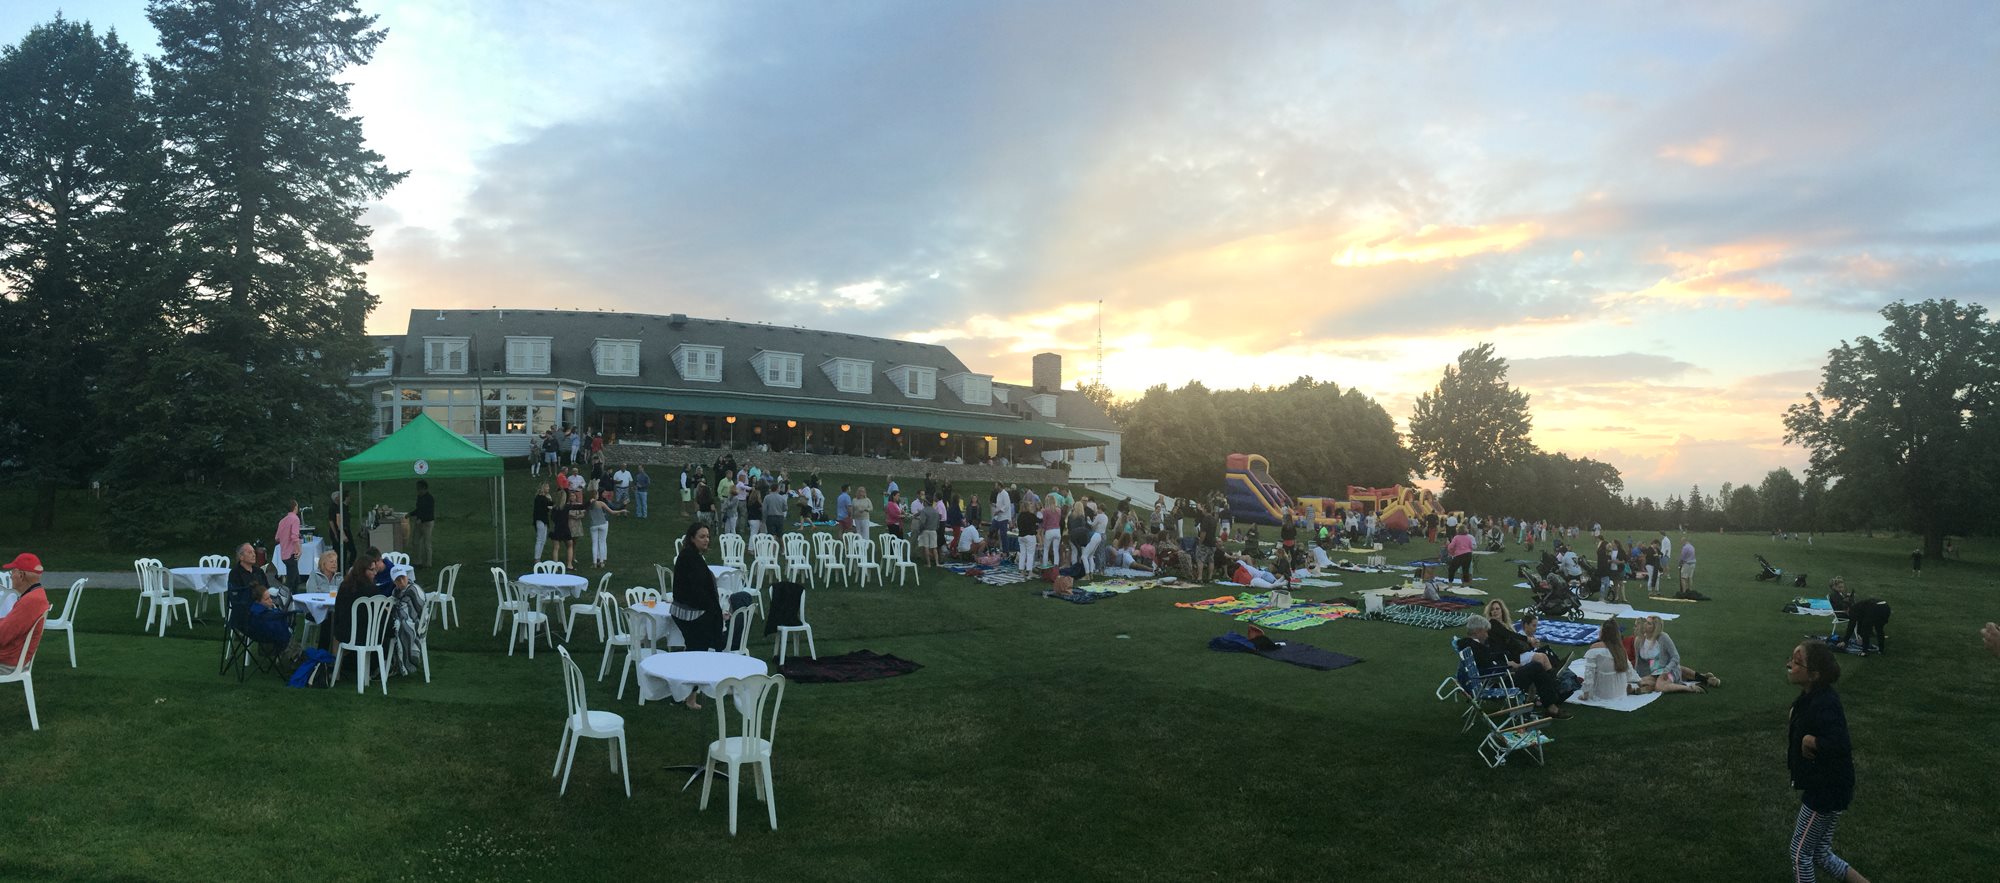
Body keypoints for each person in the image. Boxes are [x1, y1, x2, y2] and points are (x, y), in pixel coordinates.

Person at [1785, 641, 1871, 883]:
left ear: (1814, 675)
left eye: (1797, 662)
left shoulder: (1826, 703)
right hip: (1829, 785)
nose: (1789, 665)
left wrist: (1811, 740)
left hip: (1826, 789)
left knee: (1800, 853)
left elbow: (1840, 744)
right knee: (1820, 853)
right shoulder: (1810, 697)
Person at [1461, 613, 1571, 719]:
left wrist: (1506, 660)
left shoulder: (1472, 645)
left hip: (1497, 678)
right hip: (1499, 681)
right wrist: (1507, 664)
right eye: (1485, 632)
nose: (1487, 635)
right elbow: (1488, 664)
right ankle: (1553, 701)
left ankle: (1551, 700)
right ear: (1477, 631)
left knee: (1536, 667)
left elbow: (1490, 659)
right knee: (1536, 667)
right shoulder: (1473, 647)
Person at [669, 525, 724, 705]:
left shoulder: (692, 556)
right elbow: (696, 591)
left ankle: (686, 693)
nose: (706, 540)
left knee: (694, 651)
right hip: (691, 614)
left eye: (707, 536)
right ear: (692, 538)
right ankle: (689, 696)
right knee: (697, 654)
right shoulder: (689, 558)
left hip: (690, 611)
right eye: (702, 536)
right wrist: (713, 610)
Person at [324, 549, 384, 653]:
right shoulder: (372, 590)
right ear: (362, 570)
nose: (375, 573)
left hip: (343, 632)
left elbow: (338, 611)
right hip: (365, 635)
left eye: (375, 570)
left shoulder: (344, 586)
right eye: (372, 570)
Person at [0, 553, 51, 670]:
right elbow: (9, 626)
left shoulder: (30, 601)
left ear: (21, 575)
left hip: (7, 663)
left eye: (12, 572)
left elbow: (2, 636)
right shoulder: (36, 595)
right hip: (12, 657)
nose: (11, 576)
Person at [1634, 615, 1704, 694]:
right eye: (1646, 622)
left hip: (1668, 670)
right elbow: (1638, 662)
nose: (1645, 624)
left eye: (1649, 623)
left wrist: (1666, 671)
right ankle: (1653, 686)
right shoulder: (1638, 640)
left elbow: (1676, 657)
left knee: (1659, 686)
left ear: (1655, 628)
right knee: (1641, 682)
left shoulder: (1663, 637)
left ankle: (1690, 688)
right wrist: (1636, 675)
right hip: (1654, 672)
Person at [1827, 578, 1890, 656]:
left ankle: (1864, 652)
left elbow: (1851, 626)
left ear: (1847, 610)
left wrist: (1845, 641)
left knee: (1865, 629)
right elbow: (1858, 622)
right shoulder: (1859, 607)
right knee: (1879, 629)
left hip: (1875, 608)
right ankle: (1881, 650)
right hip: (1885, 606)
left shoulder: (1853, 610)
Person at [227, 542, 275, 614]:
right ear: (241, 557)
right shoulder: (235, 573)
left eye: (254, 552)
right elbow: (237, 596)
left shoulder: (259, 571)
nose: (254, 555)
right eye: (250, 552)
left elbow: (267, 588)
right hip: (246, 609)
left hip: (264, 605)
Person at [586, 490, 627, 568]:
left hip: (593, 525)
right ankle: (602, 562)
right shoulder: (601, 503)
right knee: (602, 542)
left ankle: (594, 563)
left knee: (594, 544)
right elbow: (612, 512)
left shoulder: (588, 505)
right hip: (602, 523)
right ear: (596, 496)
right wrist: (622, 510)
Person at [274, 499, 303, 589]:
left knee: (295, 578)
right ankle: (287, 595)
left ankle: (294, 595)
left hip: (284, 553)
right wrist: (299, 550)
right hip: (292, 553)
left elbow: (277, 538)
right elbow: (294, 536)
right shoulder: (295, 519)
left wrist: (285, 536)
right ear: (295, 507)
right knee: (291, 581)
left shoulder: (282, 521)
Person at [411, 480, 436, 568]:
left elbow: (428, 512)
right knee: (415, 542)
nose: (418, 490)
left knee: (427, 543)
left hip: (427, 523)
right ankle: (418, 561)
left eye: (419, 489)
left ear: (424, 488)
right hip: (419, 522)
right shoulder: (419, 497)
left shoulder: (430, 498)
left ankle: (428, 563)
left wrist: (421, 519)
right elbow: (419, 509)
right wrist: (411, 514)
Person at [531, 483, 554, 561]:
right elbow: (548, 505)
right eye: (547, 487)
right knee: (540, 539)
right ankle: (536, 558)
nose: (548, 488)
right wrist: (549, 502)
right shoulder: (540, 498)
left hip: (544, 520)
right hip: (540, 519)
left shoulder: (544, 498)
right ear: (543, 488)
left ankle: (538, 557)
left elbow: (549, 505)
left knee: (543, 540)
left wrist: (550, 501)